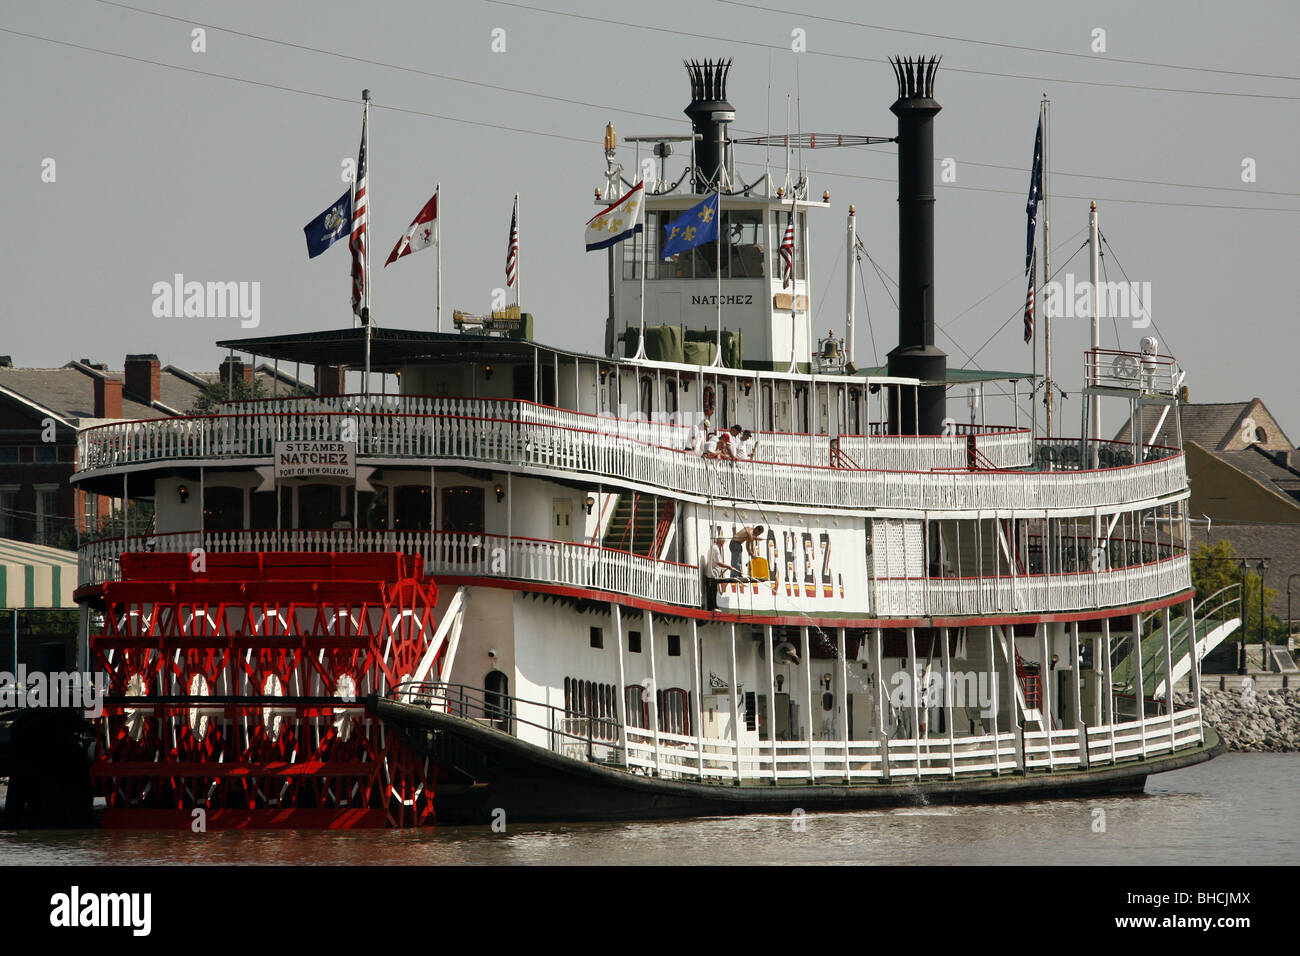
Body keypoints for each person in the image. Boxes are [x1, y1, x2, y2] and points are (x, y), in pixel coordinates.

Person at [704, 534, 739, 610]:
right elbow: (718, 562)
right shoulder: (715, 549)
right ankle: (712, 607)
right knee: (712, 591)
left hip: (713, 573)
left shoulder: (713, 547)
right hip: (712, 574)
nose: (724, 544)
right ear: (721, 541)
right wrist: (728, 566)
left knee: (714, 591)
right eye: (723, 542)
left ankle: (714, 606)